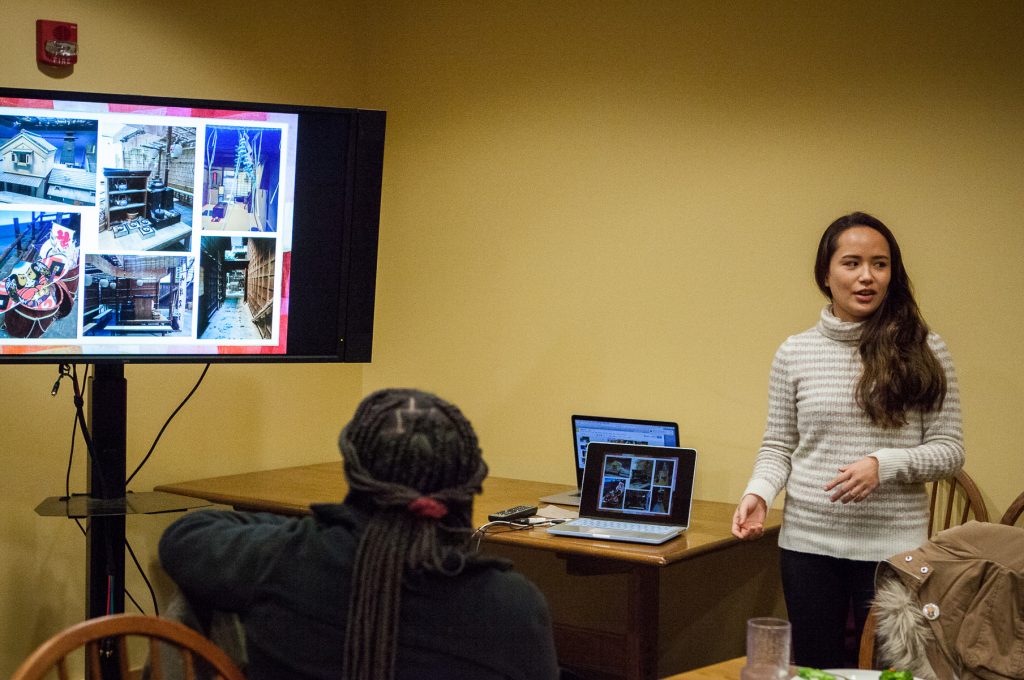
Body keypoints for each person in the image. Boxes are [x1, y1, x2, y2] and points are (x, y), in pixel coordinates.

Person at [159, 388, 560, 680]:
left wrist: (315, 534)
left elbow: (185, 536)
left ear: (353, 473)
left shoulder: (283, 558)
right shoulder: (513, 607)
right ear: (470, 484)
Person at [731, 212, 965, 669]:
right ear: (826, 273)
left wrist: (884, 463)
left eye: (879, 264)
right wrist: (758, 492)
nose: (866, 276)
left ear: (891, 274)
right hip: (808, 546)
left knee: (892, 673)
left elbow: (950, 452)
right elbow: (779, 445)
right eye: (852, 263)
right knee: (817, 668)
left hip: (893, 549)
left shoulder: (925, 349)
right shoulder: (795, 352)